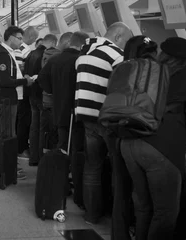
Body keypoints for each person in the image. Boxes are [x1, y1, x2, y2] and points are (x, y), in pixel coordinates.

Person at [121, 37, 186, 240]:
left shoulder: (147, 71)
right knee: (165, 212)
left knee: (143, 208)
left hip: (130, 143)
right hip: (161, 148)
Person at [74, 22, 133, 225]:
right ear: (117, 36)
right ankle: (118, 217)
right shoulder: (116, 55)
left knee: (92, 167)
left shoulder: (85, 52)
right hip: (108, 119)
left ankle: (92, 214)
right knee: (118, 169)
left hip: (86, 117)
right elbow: (124, 86)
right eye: (126, 41)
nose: (126, 47)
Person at [39, 31, 89, 208]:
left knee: (62, 147)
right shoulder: (81, 61)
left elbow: (42, 79)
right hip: (76, 112)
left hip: (59, 109)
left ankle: (61, 184)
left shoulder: (55, 59)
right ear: (82, 45)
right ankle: (75, 186)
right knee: (76, 151)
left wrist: (54, 91)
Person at [0, 26, 34, 180]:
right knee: (8, 134)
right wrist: (25, 81)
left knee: (4, 132)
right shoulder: (3, 54)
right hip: (7, 99)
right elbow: (5, 80)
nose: (21, 42)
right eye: (19, 38)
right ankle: (8, 168)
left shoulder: (7, 53)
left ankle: (2, 163)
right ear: (10, 37)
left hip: (8, 98)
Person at [23, 34, 49, 166]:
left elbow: (26, 74)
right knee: (42, 128)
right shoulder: (45, 56)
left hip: (31, 94)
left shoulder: (31, 54)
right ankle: (40, 157)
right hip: (41, 96)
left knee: (34, 127)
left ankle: (33, 157)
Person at [13, 26, 39, 160]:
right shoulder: (26, 50)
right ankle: (21, 148)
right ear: (32, 38)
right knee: (24, 119)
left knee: (17, 119)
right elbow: (24, 71)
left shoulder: (16, 49)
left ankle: (16, 147)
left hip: (15, 90)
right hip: (22, 90)